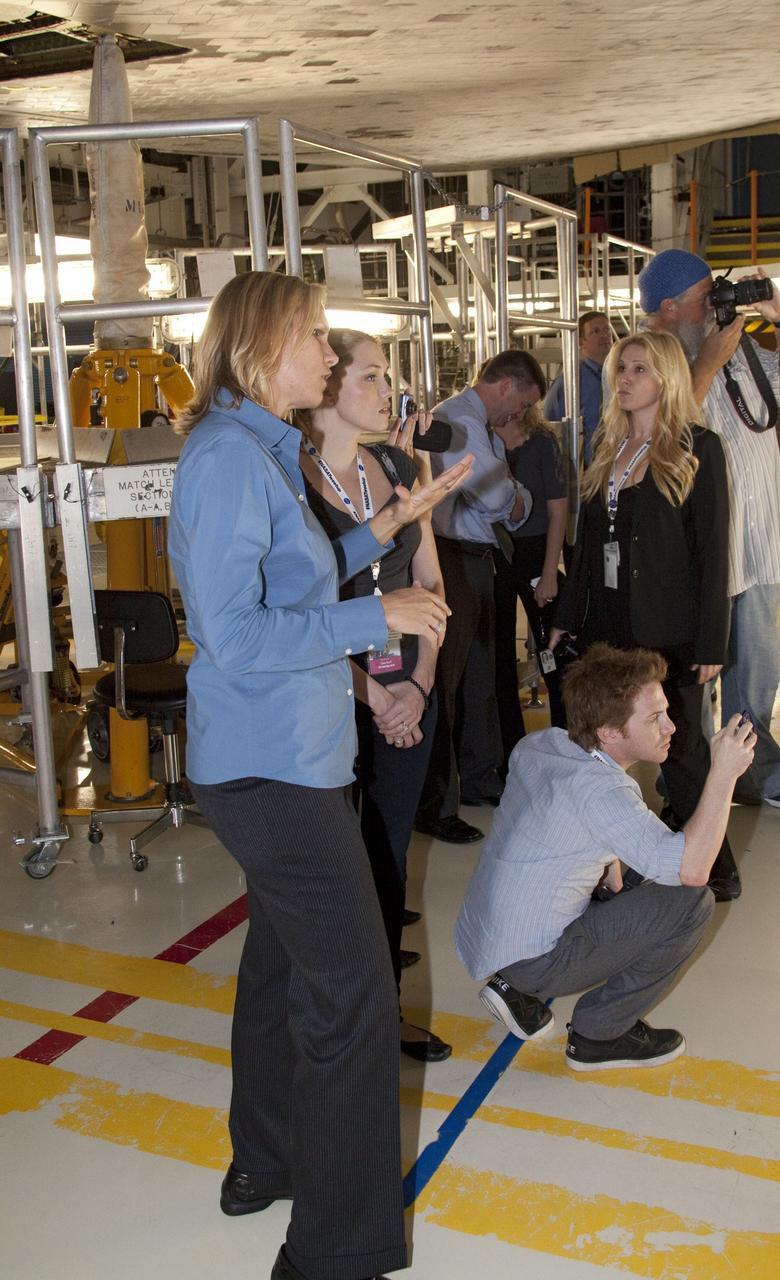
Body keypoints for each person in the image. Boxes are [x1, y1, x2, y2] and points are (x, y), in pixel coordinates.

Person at [167, 272, 472, 1280]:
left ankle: (264, 1154)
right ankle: (333, 1252)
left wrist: (387, 529)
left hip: (290, 755)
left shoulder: (258, 448)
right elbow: (231, 632)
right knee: (352, 994)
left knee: (289, 962)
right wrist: (373, 616)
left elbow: (291, 575)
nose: (332, 358)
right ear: (262, 348)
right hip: (266, 765)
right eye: (314, 339)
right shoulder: (225, 458)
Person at [455, 643, 757, 1070]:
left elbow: (567, 829)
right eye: (655, 719)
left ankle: (513, 987)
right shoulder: (604, 793)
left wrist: (610, 870)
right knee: (692, 903)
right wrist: (723, 773)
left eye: (666, 711)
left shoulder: (544, 743)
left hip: (489, 936)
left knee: (631, 879)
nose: (671, 726)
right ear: (610, 731)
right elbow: (692, 871)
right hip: (533, 957)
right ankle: (600, 1035)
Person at [298, 327, 451, 1064]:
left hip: (405, 683)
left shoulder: (395, 465)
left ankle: (381, 1010)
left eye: (385, 376)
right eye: (370, 376)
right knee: (335, 864)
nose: (386, 389)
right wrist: (371, 697)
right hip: (330, 690)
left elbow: (429, 581)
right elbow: (297, 612)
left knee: (388, 852)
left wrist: (415, 687)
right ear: (326, 393)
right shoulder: (290, 482)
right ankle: (334, 1008)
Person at [550, 330, 738, 900]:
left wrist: (712, 643)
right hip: (607, 625)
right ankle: (605, 861)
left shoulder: (697, 448)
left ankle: (717, 866)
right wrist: (566, 613)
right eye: (620, 369)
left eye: (638, 369)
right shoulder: (606, 448)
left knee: (680, 750)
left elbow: (713, 552)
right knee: (603, 743)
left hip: (668, 632)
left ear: (666, 379)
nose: (624, 379)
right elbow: (584, 549)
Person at [638, 248, 780, 812]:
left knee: (757, 675)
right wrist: (709, 363)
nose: (715, 305)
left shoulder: (737, 349)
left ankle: (756, 777)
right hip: (697, 560)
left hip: (758, 545)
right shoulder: (649, 359)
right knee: (693, 682)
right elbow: (662, 434)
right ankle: (687, 784)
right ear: (668, 308)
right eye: (703, 298)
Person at [414, 349, 546, 844]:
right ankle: (436, 803)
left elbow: (516, 503)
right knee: (445, 686)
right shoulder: (457, 424)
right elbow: (499, 499)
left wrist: (509, 492)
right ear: (506, 387)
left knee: (481, 679)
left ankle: (481, 779)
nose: (519, 418)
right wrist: (510, 492)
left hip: (480, 558)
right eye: (521, 405)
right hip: (449, 559)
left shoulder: (480, 428)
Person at [492, 402, 568, 768]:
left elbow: (558, 511)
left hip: (538, 553)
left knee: (552, 654)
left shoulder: (542, 442)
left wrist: (550, 571)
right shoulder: (483, 438)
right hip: (496, 554)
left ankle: (568, 743)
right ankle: (509, 753)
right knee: (498, 657)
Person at [542, 310, 612, 463]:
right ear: (581, 341)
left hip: (616, 464)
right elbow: (550, 426)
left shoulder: (620, 376)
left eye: (607, 329)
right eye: (595, 332)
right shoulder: (569, 382)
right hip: (584, 468)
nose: (604, 335)